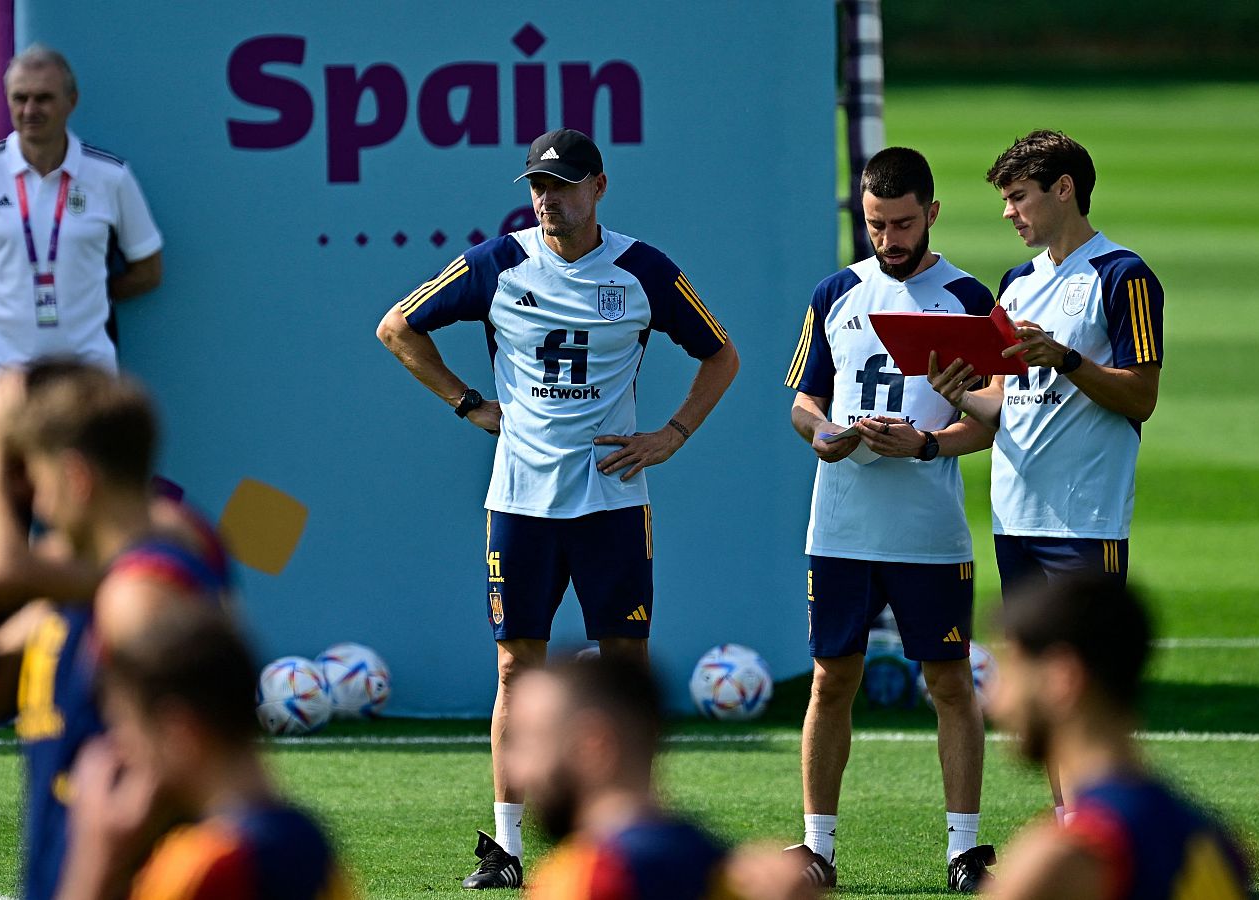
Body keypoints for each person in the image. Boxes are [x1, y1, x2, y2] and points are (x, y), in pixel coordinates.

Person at [375, 127, 739, 889]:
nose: (548, 201)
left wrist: (672, 433)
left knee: (625, 670)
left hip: (612, 501)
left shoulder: (643, 270)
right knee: (516, 671)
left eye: (564, 186)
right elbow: (396, 328)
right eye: (538, 187)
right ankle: (505, 849)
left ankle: (634, 838)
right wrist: (469, 403)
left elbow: (721, 354)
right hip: (520, 502)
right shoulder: (498, 263)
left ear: (599, 188)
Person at [928, 130, 1165, 820]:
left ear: (1064, 189)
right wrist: (956, 392)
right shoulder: (1018, 282)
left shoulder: (1123, 276)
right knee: (1042, 699)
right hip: (1016, 520)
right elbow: (1007, 406)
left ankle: (1109, 841)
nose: (1009, 213)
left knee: (1086, 698)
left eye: (1018, 196)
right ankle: (1075, 832)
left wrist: (1064, 359)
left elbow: (1140, 396)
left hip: (1085, 522)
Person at [781, 147, 997, 892]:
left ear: (932, 213)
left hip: (929, 531)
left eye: (903, 223)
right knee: (830, 679)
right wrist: (826, 435)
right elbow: (802, 400)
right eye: (876, 224)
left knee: (947, 682)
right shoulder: (836, 292)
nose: (890, 239)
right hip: (840, 523)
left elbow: (998, 422)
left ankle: (964, 851)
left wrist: (928, 442)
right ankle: (817, 850)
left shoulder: (969, 298)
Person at [0, 361, 229, 900]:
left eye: (36, 476)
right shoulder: (78, 583)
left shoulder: (158, 570)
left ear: (75, 477)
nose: (34, 500)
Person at [0, 45, 164, 414]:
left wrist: (88, 292)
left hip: (86, 381)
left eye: (44, 98)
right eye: (21, 98)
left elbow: (148, 270)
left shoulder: (111, 178)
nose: (31, 111)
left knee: (84, 475)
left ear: (71, 101)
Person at [57, 602, 349, 900]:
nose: (121, 750)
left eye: (126, 729)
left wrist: (93, 862)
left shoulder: (205, 868)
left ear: (180, 733)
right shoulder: (311, 841)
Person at [989, 577, 1252, 899]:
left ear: (1061, 678)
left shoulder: (1060, 861)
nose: (996, 700)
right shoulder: (1216, 841)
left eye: (1010, 669)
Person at [507, 655, 733, 900]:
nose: (516, 771)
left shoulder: (582, 882)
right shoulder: (725, 870)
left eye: (530, 744)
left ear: (591, 746)